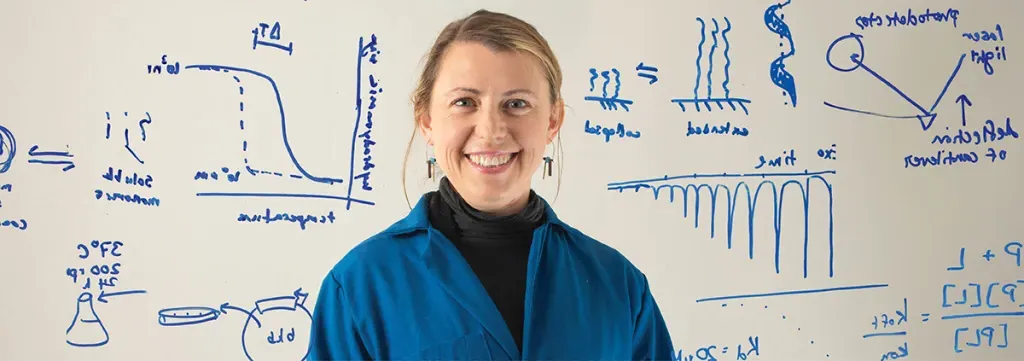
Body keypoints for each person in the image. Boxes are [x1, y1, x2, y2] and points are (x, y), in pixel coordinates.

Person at [308, 9, 674, 361]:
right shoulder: (360, 286)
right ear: (427, 121)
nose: (491, 131)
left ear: (553, 120)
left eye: (516, 103)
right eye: (464, 102)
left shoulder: (618, 285)